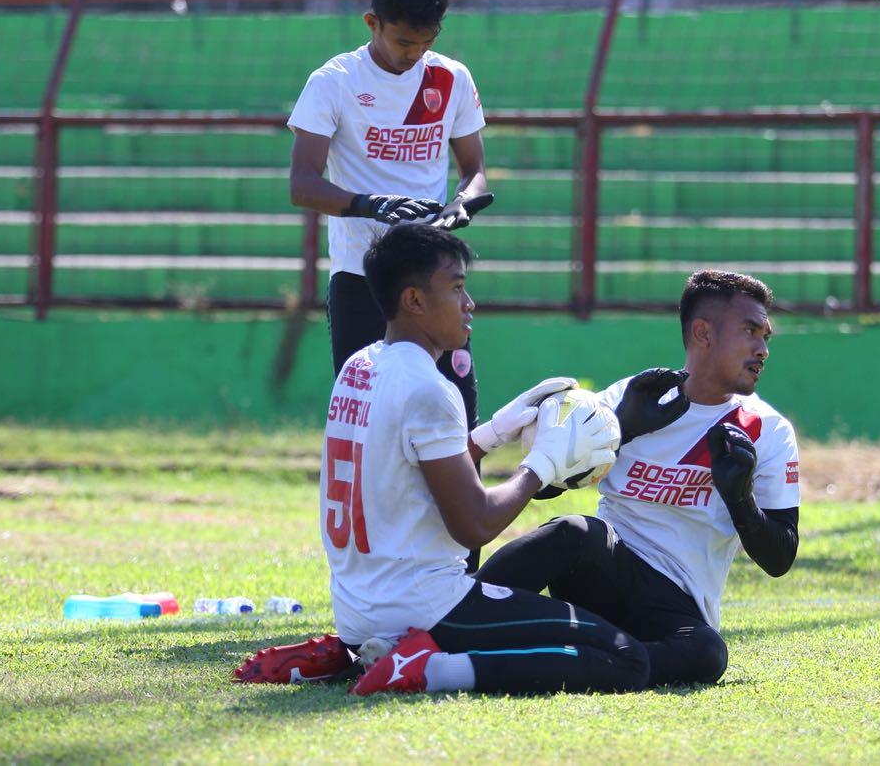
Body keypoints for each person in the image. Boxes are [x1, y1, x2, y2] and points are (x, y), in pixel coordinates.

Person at [236, 223, 652, 696]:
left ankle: (350, 654)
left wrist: (494, 432)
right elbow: (474, 526)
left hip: (359, 608)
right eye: (456, 288)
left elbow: (408, 470)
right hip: (424, 606)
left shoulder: (361, 365)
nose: (469, 303)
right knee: (626, 657)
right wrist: (542, 464)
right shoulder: (430, 389)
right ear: (414, 301)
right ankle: (425, 670)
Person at [475, 269, 802, 687]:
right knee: (573, 531)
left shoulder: (768, 430)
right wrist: (623, 428)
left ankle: (591, 657)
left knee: (707, 653)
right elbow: (547, 489)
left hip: (676, 607)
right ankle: (454, 619)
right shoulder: (633, 396)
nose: (763, 349)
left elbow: (780, 558)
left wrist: (741, 500)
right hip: (603, 573)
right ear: (703, 333)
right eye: (750, 331)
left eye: (766, 337)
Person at [287, 0, 489, 441]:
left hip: (435, 280)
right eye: (403, 41)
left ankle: (458, 517)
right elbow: (302, 184)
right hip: (363, 278)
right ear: (371, 23)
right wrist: (367, 204)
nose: (415, 54)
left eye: (427, 42)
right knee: (370, 427)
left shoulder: (452, 79)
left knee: (456, 423)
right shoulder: (334, 82)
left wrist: (461, 203)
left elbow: (475, 170)